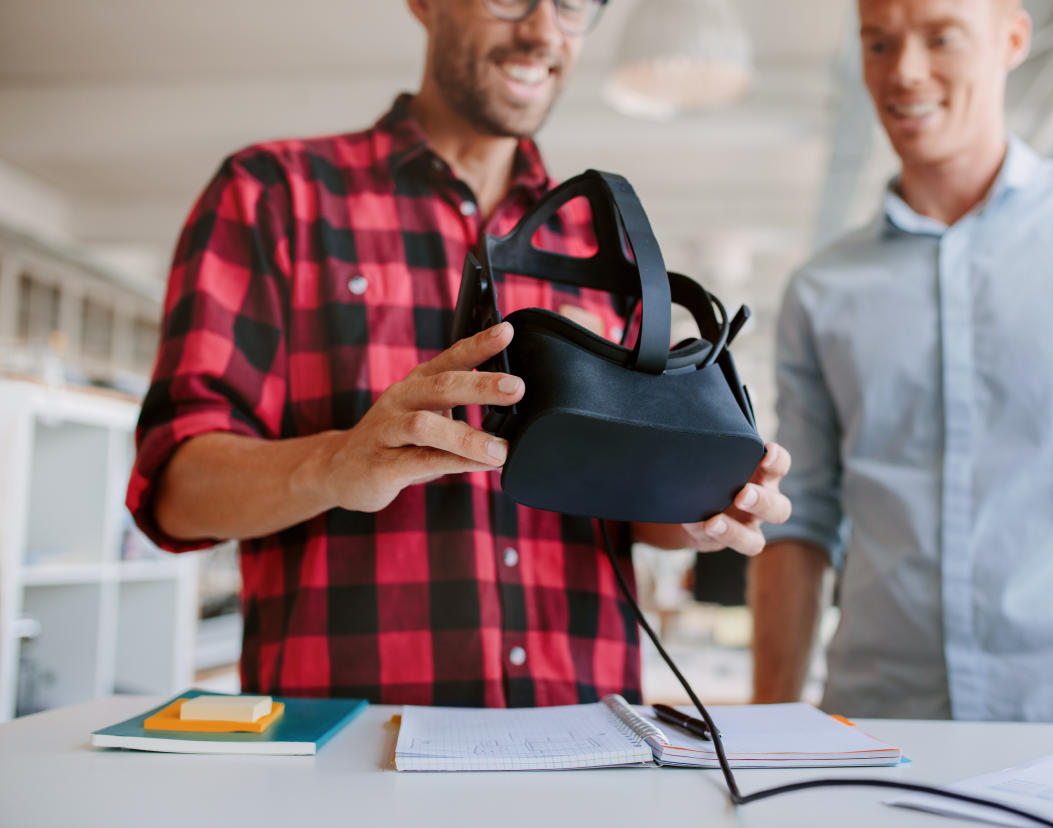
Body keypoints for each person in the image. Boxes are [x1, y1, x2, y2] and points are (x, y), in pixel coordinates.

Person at [127, 0, 791, 707]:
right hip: (349, 752)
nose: (542, 31)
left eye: (571, 5)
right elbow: (174, 490)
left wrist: (697, 505)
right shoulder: (274, 196)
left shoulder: (609, 252)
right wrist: (334, 463)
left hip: (585, 736)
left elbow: (624, 512)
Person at [749, 0, 1053, 726]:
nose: (904, 71)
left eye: (941, 37)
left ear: (1012, 38)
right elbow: (798, 516)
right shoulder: (822, 290)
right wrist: (767, 725)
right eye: (878, 43)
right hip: (885, 732)